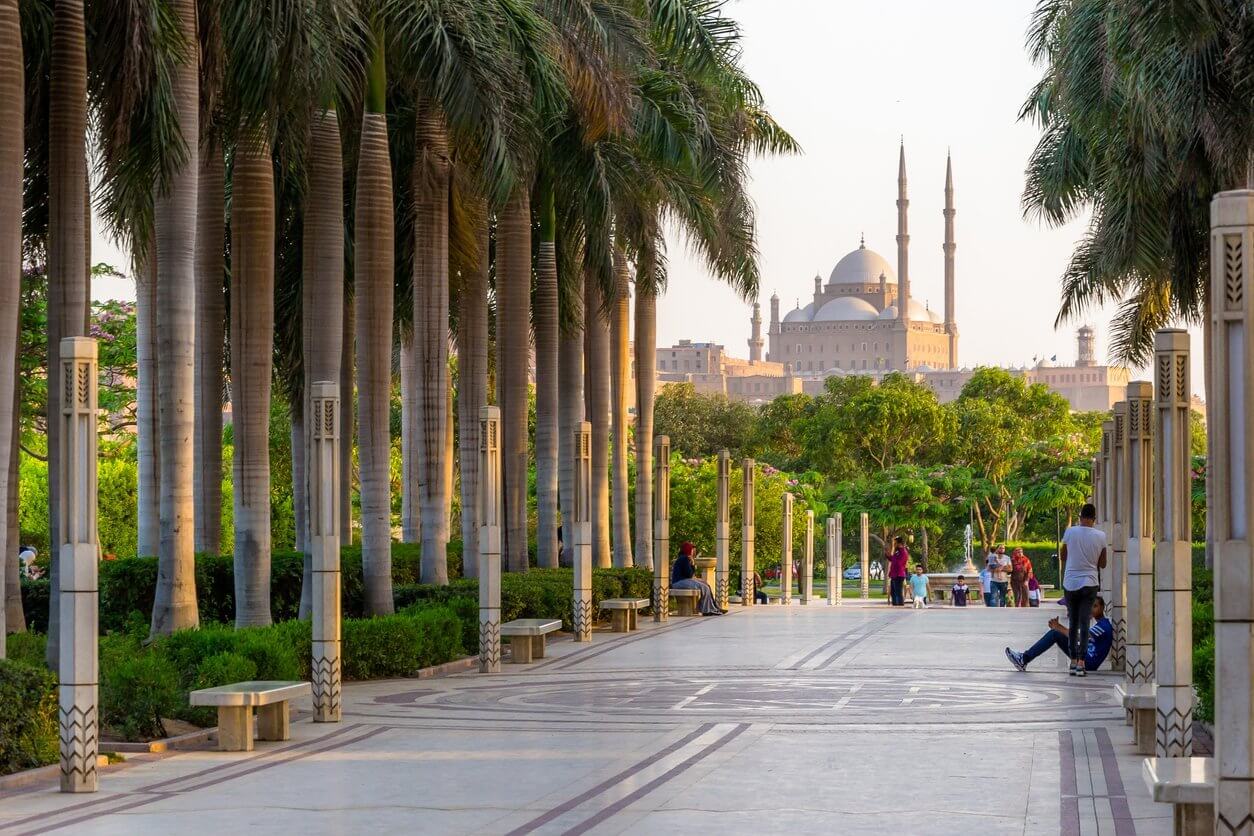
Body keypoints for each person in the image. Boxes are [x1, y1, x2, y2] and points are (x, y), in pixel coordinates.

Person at [1053, 503, 1108, 675]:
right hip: (1090, 582)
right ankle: (1082, 664)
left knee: (1073, 621)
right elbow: (1103, 563)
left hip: (1071, 582)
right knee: (1084, 622)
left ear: (1080, 516)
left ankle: (1073, 660)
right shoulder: (1101, 536)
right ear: (1094, 518)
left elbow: (1063, 555)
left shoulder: (1070, 532)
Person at [1005, 596, 1113, 673]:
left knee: (1055, 633)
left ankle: (1023, 659)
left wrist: (1058, 627)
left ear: (1102, 608)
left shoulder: (1103, 626)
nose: (1091, 609)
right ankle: (1024, 659)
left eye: (1095, 606)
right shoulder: (1100, 624)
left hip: (1087, 662)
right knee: (1056, 633)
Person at [672, 542, 723, 616]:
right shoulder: (685, 558)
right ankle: (706, 610)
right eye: (692, 549)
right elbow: (689, 574)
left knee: (706, 584)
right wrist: (692, 564)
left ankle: (714, 608)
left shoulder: (683, 558)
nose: (693, 551)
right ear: (688, 550)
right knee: (704, 587)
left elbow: (689, 575)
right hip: (679, 582)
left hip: (682, 581)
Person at [886, 536, 910, 607]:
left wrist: (892, 558)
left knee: (898, 593)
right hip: (894, 575)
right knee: (893, 593)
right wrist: (887, 555)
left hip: (898, 575)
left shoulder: (903, 552)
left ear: (898, 543)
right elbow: (893, 559)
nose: (893, 544)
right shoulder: (897, 551)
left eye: (894, 543)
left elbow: (899, 563)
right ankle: (895, 606)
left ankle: (900, 607)